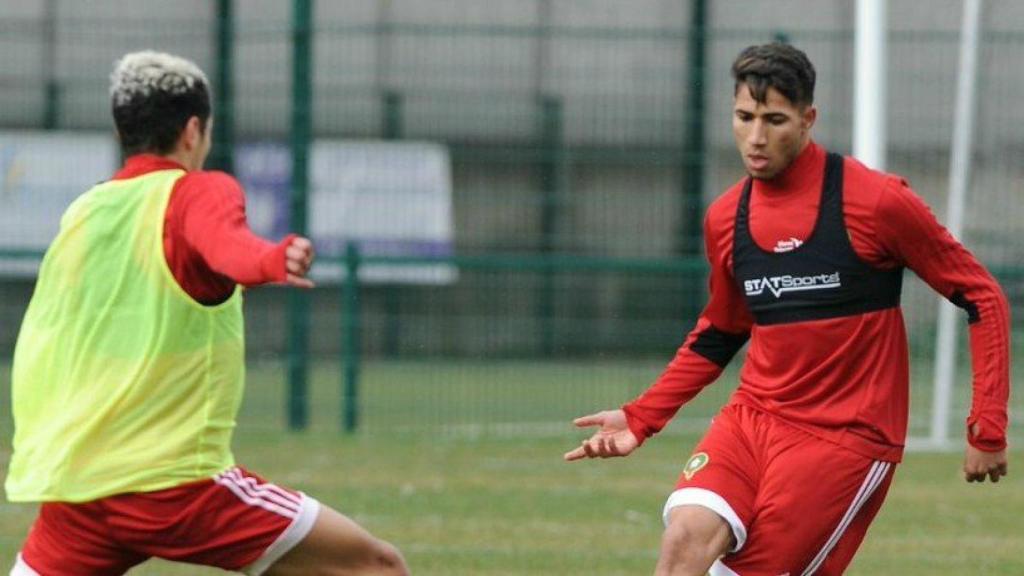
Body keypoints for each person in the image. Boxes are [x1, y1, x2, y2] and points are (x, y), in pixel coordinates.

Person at [565, 43, 1010, 576]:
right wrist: (643, 416)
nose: (756, 137)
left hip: (843, 439)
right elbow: (720, 331)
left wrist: (987, 426)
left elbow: (982, 296)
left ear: (807, 119)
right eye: (744, 117)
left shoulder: (876, 202)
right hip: (751, 419)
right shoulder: (726, 218)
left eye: (774, 120)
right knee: (682, 542)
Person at [5, 51, 408, 576]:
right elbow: (225, 245)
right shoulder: (196, 190)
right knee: (376, 567)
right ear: (194, 130)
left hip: (81, 486)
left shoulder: (86, 212)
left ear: (122, 130)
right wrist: (270, 259)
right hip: (173, 488)